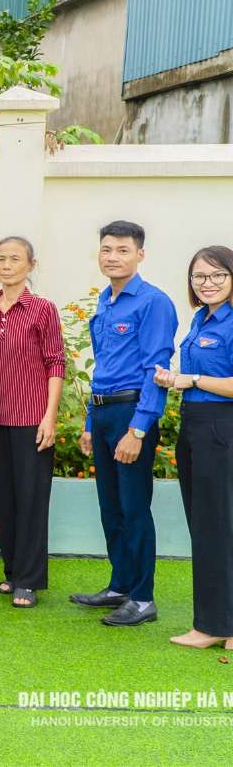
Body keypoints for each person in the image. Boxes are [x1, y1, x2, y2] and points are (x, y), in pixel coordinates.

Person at [71, 220, 176, 627]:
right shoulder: (106, 302)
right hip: (103, 412)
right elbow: (102, 368)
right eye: (107, 249)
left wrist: (138, 430)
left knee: (134, 508)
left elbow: (156, 370)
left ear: (140, 255)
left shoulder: (153, 302)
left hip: (132, 414)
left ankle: (143, 598)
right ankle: (120, 585)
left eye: (122, 250)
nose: (113, 257)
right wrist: (88, 421)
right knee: (110, 507)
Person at [153, 246, 233, 648]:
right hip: (196, 426)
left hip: (222, 428)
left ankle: (218, 626)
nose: (208, 284)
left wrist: (194, 380)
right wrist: (174, 379)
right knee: (207, 528)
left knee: (221, 527)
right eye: (200, 277)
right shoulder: (201, 319)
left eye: (218, 275)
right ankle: (216, 624)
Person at [0, 237, 65, 608]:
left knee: (31, 500)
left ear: (31, 264)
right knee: (3, 499)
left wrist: (50, 416)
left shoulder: (42, 310)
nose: (7, 264)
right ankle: (13, 570)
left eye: (15, 259)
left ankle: (29, 580)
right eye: (1, 258)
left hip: (33, 419)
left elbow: (56, 363)